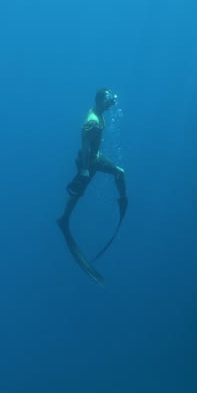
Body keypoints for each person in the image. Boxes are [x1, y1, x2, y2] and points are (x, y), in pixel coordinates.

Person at [56, 87, 128, 283]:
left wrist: (111, 99)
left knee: (119, 172)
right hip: (89, 161)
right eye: (107, 100)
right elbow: (85, 145)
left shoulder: (98, 112)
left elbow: (106, 103)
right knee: (79, 191)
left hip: (96, 158)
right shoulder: (92, 122)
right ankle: (64, 218)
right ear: (99, 101)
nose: (111, 103)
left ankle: (123, 199)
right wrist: (86, 169)